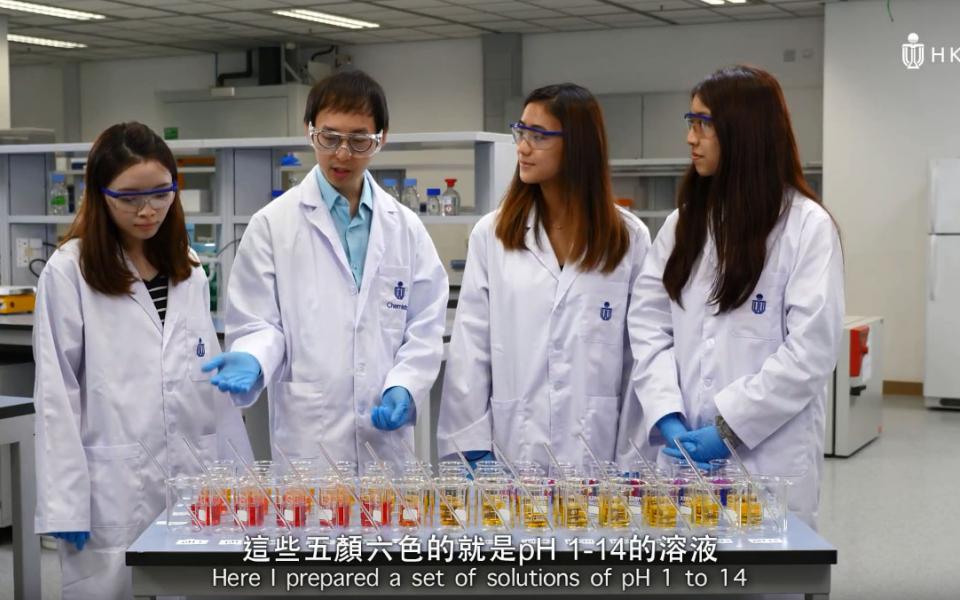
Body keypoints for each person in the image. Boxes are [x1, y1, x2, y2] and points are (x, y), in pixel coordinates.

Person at [32, 122, 253, 599]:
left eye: (160, 192)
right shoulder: (69, 272)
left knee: (192, 585)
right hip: (112, 481)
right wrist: (64, 502)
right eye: (129, 197)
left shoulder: (188, 268)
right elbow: (56, 394)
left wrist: (239, 479)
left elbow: (198, 383)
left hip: (193, 472)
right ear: (100, 195)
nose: (148, 209)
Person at [624, 65, 843, 527]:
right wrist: (666, 413)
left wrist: (728, 425)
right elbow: (648, 325)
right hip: (682, 458)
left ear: (743, 133)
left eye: (704, 124)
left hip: (767, 461)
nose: (691, 138)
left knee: (764, 585)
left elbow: (810, 351)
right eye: (690, 122)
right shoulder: (685, 225)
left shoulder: (806, 227)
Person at [204, 70, 448, 468]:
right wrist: (252, 355)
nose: (342, 154)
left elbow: (425, 326)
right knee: (313, 529)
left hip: (385, 448)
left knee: (389, 528)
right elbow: (259, 324)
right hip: (310, 443)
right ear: (309, 131)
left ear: (381, 137)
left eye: (358, 140)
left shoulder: (405, 228)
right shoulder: (273, 225)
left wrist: (404, 385)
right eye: (329, 138)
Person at [437, 83, 651, 470]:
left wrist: (633, 462)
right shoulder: (494, 233)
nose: (522, 147)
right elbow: (471, 348)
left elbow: (638, 360)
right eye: (521, 132)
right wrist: (471, 447)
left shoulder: (628, 238)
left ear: (578, 146)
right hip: (512, 450)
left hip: (597, 453)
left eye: (539, 136)